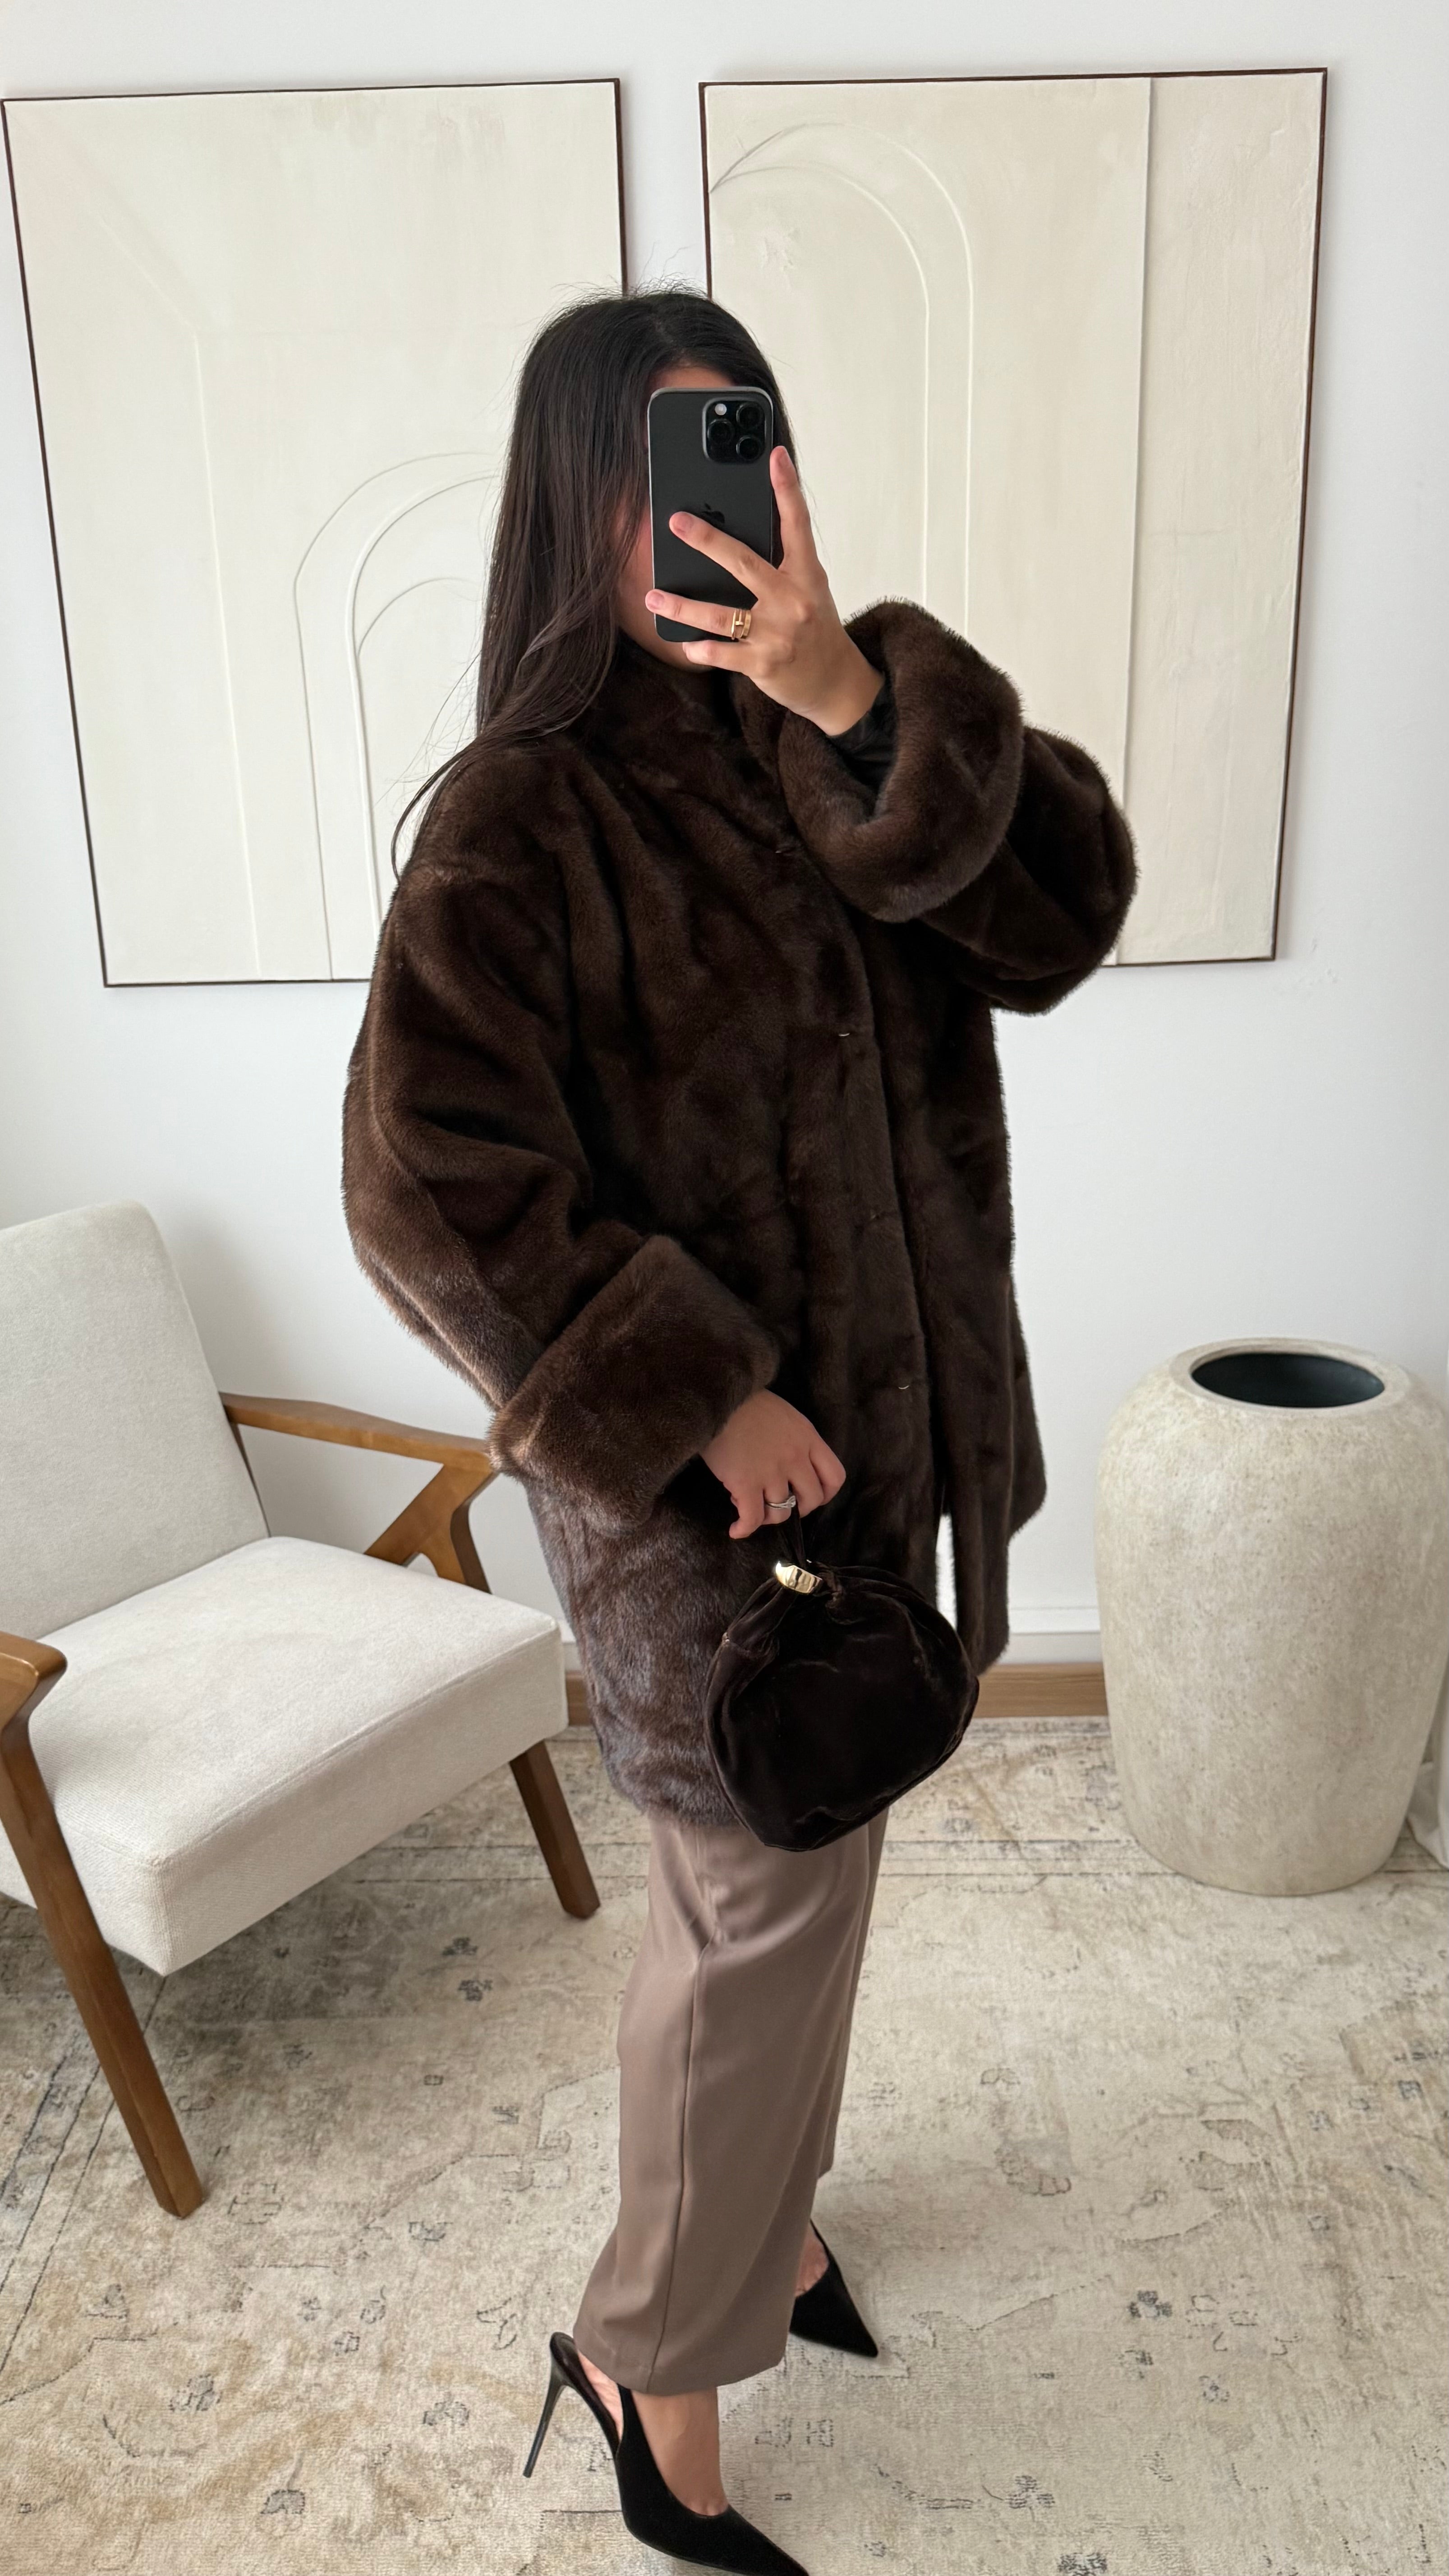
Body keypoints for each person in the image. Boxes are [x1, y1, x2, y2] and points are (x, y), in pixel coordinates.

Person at [341, 287, 1136, 2575]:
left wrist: (856, 702)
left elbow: (1061, 919)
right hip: (713, 1511)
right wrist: (701, 1396)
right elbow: (422, 1184)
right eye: (672, 469)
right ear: (579, 500)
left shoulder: (849, 722)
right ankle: (650, 2364)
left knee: (818, 1855)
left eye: (750, 453)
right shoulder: (525, 815)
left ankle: (769, 2236)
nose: (725, 514)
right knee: (747, 1926)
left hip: (891, 1461)